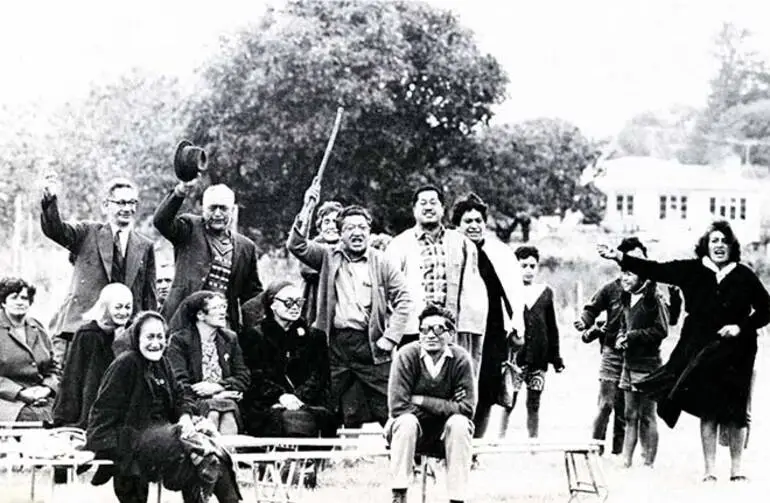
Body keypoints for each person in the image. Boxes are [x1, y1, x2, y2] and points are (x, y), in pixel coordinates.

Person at [597, 220, 770, 482]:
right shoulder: (692, 270)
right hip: (701, 350)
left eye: (725, 241)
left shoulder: (744, 275)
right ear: (706, 246)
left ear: (732, 246)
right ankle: (710, 471)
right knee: (709, 409)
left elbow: (766, 309)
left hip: (739, 351)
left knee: (736, 412)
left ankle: (737, 471)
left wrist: (740, 326)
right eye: (714, 241)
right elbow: (654, 269)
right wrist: (621, 257)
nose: (720, 246)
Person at [287, 184, 412, 427]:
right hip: (334, 345)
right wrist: (307, 206)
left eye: (363, 228)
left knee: (391, 404)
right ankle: (319, 460)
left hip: (372, 345)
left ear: (369, 231)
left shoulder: (382, 262)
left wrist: (390, 337)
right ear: (340, 233)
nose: (357, 233)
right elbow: (297, 245)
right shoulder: (327, 255)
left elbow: (404, 299)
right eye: (350, 228)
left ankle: (408, 459)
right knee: (325, 402)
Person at [86, 311, 241, 503]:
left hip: (165, 434)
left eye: (160, 337)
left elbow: (180, 397)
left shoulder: (163, 363)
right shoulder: (125, 363)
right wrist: (104, 445)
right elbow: (103, 409)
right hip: (133, 433)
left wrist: (185, 416)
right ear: (137, 338)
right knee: (191, 444)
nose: (156, 343)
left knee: (210, 452)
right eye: (150, 337)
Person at [40, 175, 157, 367]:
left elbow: (148, 295)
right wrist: (50, 200)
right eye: (120, 203)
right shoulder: (87, 233)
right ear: (106, 205)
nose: (127, 208)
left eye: (132, 202)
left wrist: (148, 330)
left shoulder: (145, 246)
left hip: (124, 335)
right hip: (82, 330)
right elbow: (56, 231)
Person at [386, 185, 487, 370]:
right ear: (414, 210)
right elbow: (390, 291)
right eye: (422, 203)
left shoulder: (462, 243)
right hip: (412, 330)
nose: (428, 207)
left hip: (449, 330)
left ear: (442, 209)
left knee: (449, 385)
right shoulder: (399, 244)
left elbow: (472, 291)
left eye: (434, 202)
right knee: (414, 384)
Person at [450, 193, 526, 441]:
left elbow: (515, 293)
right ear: (457, 225)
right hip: (459, 329)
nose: (473, 226)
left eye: (478, 220)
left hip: (493, 329)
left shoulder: (501, 252)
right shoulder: (450, 251)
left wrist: (517, 327)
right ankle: (453, 443)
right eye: (467, 221)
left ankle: (476, 446)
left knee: (486, 389)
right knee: (458, 387)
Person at [386, 304, 476, 503]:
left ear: (451, 334)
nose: (430, 335)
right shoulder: (406, 355)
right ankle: (399, 495)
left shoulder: (461, 360)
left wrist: (421, 400)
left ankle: (457, 498)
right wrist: (448, 405)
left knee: (460, 424)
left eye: (438, 329)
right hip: (408, 435)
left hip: (446, 435)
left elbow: (467, 409)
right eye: (424, 329)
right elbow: (397, 406)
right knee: (406, 421)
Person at [154, 179, 262, 333]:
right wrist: (180, 191)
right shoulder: (189, 228)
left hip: (222, 324)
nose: (217, 213)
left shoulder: (246, 247)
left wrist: (254, 331)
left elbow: (252, 295)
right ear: (203, 209)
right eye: (212, 208)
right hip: (184, 321)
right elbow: (161, 221)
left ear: (232, 210)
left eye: (223, 208)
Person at [574, 238, 645, 455]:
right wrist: (585, 322)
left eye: (639, 259)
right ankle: (595, 448)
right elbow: (591, 308)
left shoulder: (649, 292)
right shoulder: (611, 289)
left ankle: (618, 452)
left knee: (626, 408)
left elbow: (666, 319)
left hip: (636, 355)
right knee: (606, 404)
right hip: (611, 352)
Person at [240, 281, 334, 437]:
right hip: (268, 402)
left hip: (306, 401)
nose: (295, 307)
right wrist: (280, 396)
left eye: (299, 302)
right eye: (288, 302)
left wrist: (298, 397)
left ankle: (306, 460)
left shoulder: (315, 336)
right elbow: (255, 376)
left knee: (316, 417)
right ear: (272, 305)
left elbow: (319, 375)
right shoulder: (254, 336)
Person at [613, 241, 667, 468]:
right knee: (629, 414)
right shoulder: (625, 297)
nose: (625, 278)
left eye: (631, 274)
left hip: (648, 366)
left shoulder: (654, 299)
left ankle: (649, 463)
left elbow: (661, 330)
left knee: (647, 416)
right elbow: (626, 326)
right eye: (623, 273)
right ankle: (625, 461)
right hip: (628, 364)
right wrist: (622, 336)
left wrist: (633, 336)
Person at [167, 292, 250, 435]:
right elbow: (179, 382)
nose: (223, 312)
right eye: (216, 308)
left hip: (225, 399)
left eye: (223, 306)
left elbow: (243, 376)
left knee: (225, 409)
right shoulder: (180, 341)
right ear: (200, 315)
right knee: (214, 412)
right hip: (192, 402)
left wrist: (218, 387)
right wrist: (211, 396)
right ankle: (224, 454)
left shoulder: (230, 338)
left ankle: (223, 455)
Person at [53, 283, 133, 430]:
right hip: (92, 399)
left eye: (128, 307)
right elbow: (73, 376)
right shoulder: (87, 334)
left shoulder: (131, 332)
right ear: (106, 307)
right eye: (118, 307)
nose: (123, 312)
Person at [503, 246, 564, 439]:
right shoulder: (510, 291)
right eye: (523, 266)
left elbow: (552, 326)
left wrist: (556, 357)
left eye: (532, 266)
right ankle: (499, 439)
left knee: (534, 401)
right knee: (508, 400)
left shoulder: (545, 292)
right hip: (515, 358)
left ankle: (533, 442)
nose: (528, 270)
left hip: (539, 357)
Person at [0, 277, 60, 423]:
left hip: (41, 396)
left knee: (66, 416)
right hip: (8, 400)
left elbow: (54, 367)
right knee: (32, 419)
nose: (20, 302)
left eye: (24, 298)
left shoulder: (37, 328)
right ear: (3, 302)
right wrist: (19, 392)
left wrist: (47, 388)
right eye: (14, 298)